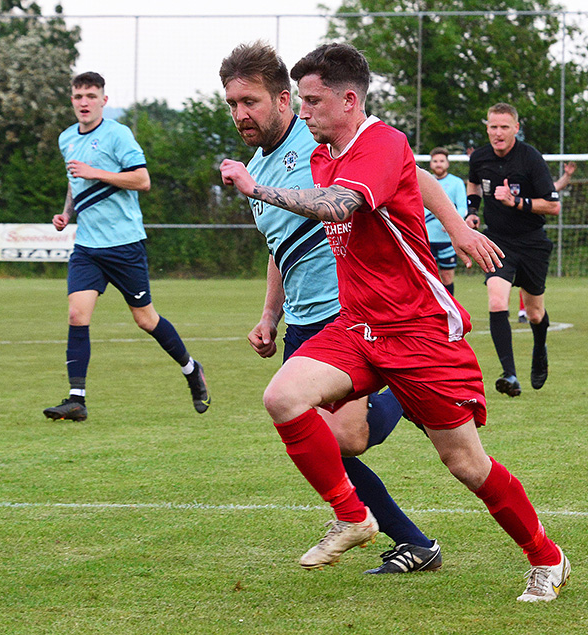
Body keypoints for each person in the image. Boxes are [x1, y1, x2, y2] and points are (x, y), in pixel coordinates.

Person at [220, 43, 569, 601]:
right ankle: (354, 517)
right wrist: (270, 310)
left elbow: (338, 206)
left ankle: (545, 556)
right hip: (355, 327)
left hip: (415, 332)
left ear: (349, 100)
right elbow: (304, 222)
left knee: (464, 462)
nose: (303, 113)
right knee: (282, 398)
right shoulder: (321, 153)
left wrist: (255, 188)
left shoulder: (382, 143)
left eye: (311, 102)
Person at [221, 41, 445, 574]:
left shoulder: (322, 130)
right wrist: (269, 315)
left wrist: (458, 229)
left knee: (346, 437)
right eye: (231, 104)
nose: (240, 114)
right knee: (328, 444)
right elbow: (281, 247)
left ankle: (403, 389)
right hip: (301, 323)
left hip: (351, 313)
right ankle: (414, 542)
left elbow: (411, 172)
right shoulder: (256, 168)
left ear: (282, 99)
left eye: (249, 101)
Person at [43, 72, 210, 422]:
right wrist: (66, 213)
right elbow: (74, 185)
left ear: (104, 100)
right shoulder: (66, 139)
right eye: (78, 96)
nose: (84, 102)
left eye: (91, 95)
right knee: (77, 313)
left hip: (123, 245)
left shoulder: (118, 135)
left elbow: (142, 180)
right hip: (87, 246)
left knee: (145, 319)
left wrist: (95, 172)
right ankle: (77, 399)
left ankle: (191, 368)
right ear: (71, 100)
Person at [466, 103, 560, 397]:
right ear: (487, 128)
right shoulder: (480, 157)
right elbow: (473, 183)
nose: (498, 133)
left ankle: (540, 347)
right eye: (493, 127)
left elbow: (554, 206)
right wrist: (472, 211)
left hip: (532, 242)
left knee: (534, 313)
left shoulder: (530, 158)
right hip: (497, 241)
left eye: (504, 127)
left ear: (516, 129)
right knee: (496, 301)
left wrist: (516, 202)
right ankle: (510, 374)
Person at [518, 162, 576, 324]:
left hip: (531, 239)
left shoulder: (538, 188)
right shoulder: (511, 185)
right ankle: (501, 310)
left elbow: (556, 187)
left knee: (526, 279)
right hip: (507, 238)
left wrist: (568, 175)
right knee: (503, 279)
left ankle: (523, 311)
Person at [424, 147, 468, 295]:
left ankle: (450, 313)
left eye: (442, 161)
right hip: (425, 238)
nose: (438, 164)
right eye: (435, 161)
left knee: (447, 277)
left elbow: (463, 207)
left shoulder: (456, 183)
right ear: (430, 164)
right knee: (426, 278)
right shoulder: (423, 182)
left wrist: (451, 222)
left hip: (447, 240)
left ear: (447, 163)